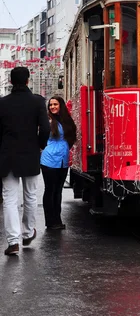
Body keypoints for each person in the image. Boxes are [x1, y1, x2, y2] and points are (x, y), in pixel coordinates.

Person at [0, 67, 50, 256]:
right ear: (28, 80)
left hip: (7, 156)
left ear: (11, 82)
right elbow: (45, 128)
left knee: (9, 199)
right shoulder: (37, 101)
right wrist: (40, 145)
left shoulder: (2, 103)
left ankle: (13, 241)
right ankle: (28, 232)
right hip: (30, 154)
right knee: (30, 196)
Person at [41, 96, 77, 230]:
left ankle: (57, 219)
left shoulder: (67, 121)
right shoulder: (48, 121)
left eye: (55, 104)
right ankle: (50, 221)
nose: (52, 107)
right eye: (50, 105)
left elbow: (72, 137)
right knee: (50, 190)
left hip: (63, 160)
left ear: (61, 105)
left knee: (58, 191)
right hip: (49, 160)